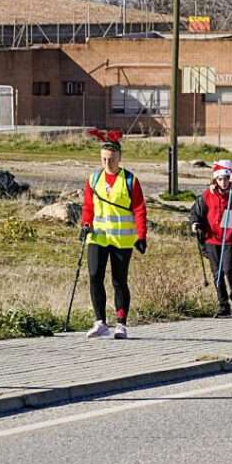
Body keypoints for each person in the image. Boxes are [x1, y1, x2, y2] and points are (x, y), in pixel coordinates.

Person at [81, 130, 147, 339]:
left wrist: (141, 235)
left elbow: (139, 209)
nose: (107, 163)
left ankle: (121, 324)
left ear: (119, 158)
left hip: (121, 239)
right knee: (95, 276)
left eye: (110, 159)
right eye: (103, 159)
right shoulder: (94, 179)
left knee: (119, 281)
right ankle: (100, 322)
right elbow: (88, 206)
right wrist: (85, 224)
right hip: (98, 237)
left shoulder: (130, 180)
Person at [189, 160, 232, 318]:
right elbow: (196, 212)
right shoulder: (207, 195)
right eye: (220, 179)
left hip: (229, 239)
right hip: (211, 239)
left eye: (226, 178)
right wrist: (195, 223)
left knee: (228, 269)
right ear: (215, 180)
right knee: (217, 273)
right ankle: (223, 304)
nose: (223, 182)